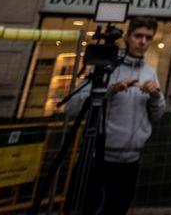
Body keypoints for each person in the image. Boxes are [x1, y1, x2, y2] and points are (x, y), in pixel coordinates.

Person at [65, 15, 165, 215]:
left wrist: (155, 96)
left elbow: (158, 115)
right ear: (127, 37)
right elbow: (73, 107)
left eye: (148, 37)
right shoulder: (105, 67)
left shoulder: (150, 72)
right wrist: (110, 90)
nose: (143, 42)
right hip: (99, 160)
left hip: (130, 163)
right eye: (138, 36)